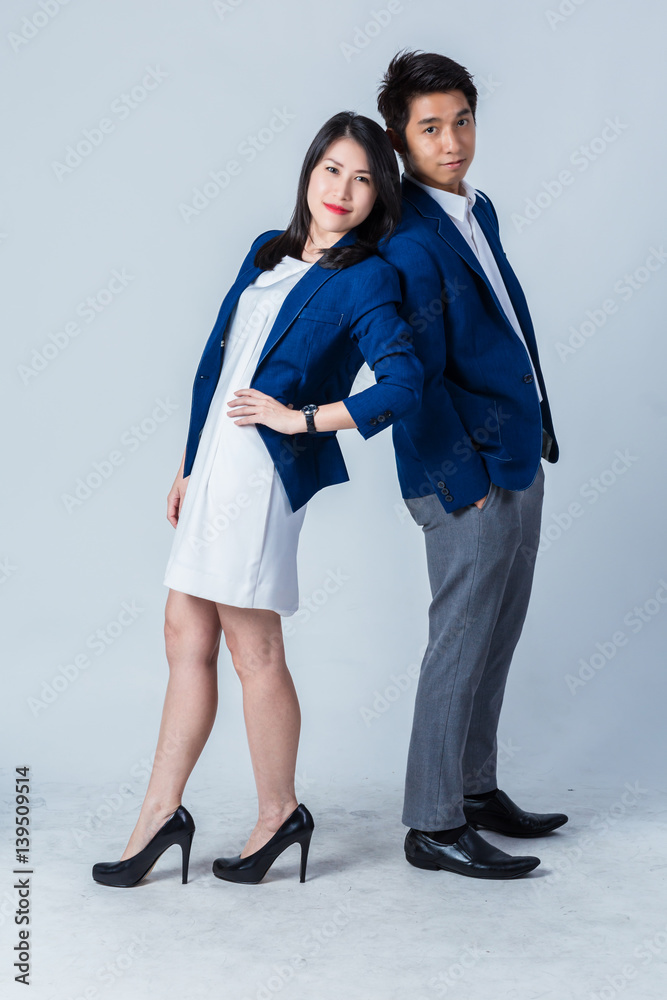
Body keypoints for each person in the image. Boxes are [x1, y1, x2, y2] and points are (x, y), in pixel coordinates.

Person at [92, 111, 423, 888]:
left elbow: (403, 384)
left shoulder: (365, 275)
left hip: (262, 475)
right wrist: (186, 465)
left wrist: (299, 417)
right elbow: (221, 364)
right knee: (183, 629)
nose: (342, 189)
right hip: (214, 464)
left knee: (252, 645)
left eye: (364, 177)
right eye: (331, 169)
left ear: (380, 196)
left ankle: (278, 813)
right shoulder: (266, 254)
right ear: (309, 171)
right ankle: (160, 814)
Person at [376, 50, 567, 880]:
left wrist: (540, 431)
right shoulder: (407, 241)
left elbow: (506, 333)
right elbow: (409, 383)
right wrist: (468, 483)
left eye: (461, 120)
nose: (451, 141)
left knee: (496, 633)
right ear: (398, 139)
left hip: (516, 457)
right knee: (456, 641)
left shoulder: (472, 211)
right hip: (465, 479)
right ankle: (432, 824)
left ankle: (474, 789)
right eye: (429, 127)